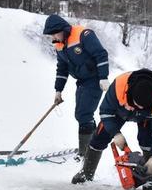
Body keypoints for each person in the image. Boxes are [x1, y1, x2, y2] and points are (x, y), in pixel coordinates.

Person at [71, 69, 152, 190]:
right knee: (100, 136)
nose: (137, 108)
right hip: (119, 112)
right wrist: (115, 133)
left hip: (147, 117)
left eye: (141, 106)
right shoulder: (119, 85)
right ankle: (86, 173)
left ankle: (151, 180)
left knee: (148, 142)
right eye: (136, 104)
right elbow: (106, 112)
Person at [43, 14, 110, 160]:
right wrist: (58, 90)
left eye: (55, 33)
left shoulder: (83, 35)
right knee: (81, 115)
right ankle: (91, 147)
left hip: (94, 79)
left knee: (83, 114)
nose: (53, 37)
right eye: (51, 35)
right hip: (81, 81)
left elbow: (101, 54)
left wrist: (104, 77)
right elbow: (62, 68)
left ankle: (86, 153)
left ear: (63, 29)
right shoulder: (59, 45)